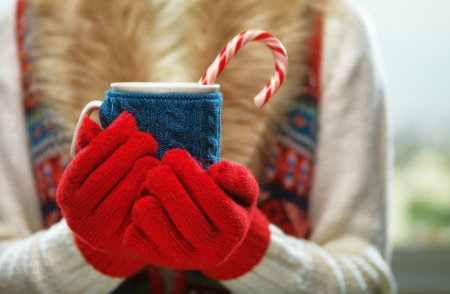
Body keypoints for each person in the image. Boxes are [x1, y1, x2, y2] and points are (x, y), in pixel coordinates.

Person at [0, 0, 397, 292]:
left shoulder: (333, 29)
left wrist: (253, 250)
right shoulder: (14, 33)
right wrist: (87, 249)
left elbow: (370, 278)